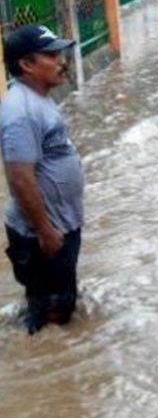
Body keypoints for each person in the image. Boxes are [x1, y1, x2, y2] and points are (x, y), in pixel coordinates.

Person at [1, 25, 85, 334]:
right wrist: (46, 231)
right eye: (51, 55)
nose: (61, 60)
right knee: (53, 320)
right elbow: (20, 178)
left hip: (57, 228)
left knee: (60, 304)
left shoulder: (38, 99)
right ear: (26, 64)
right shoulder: (20, 111)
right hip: (44, 236)